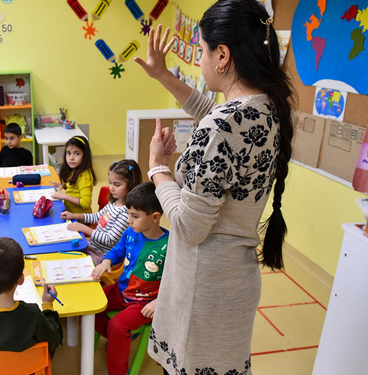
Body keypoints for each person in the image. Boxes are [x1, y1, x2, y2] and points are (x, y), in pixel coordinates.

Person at [133, 0, 294, 373]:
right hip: (234, 281)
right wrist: (162, 75)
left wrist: (158, 169)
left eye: (202, 52)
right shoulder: (267, 107)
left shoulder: (223, 125)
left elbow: (189, 226)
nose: (200, 61)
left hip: (202, 288)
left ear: (222, 55)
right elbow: (212, 112)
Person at [91, 182, 168, 375]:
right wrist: (106, 262)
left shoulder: (169, 245)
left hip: (144, 303)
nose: (129, 220)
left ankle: (118, 367)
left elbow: (176, 281)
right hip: (121, 291)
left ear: (155, 217)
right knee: (91, 306)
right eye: (128, 214)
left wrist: (159, 302)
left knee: (117, 326)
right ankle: (118, 339)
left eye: (134, 216)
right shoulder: (131, 232)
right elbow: (117, 251)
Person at [61, 159, 142, 264]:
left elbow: (109, 239)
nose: (111, 188)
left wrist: (84, 228)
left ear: (131, 185)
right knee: (66, 251)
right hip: (94, 247)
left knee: (75, 263)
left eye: (117, 185)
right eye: (110, 183)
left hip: (104, 256)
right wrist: (74, 215)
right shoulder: (114, 202)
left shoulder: (126, 213)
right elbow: (96, 216)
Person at [50, 136, 96, 214]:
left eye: (77, 154)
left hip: (81, 220)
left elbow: (85, 203)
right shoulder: (75, 169)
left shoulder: (84, 175)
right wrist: (64, 185)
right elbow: (75, 189)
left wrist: (63, 196)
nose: (71, 158)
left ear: (85, 156)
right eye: (69, 153)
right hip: (71, 214)